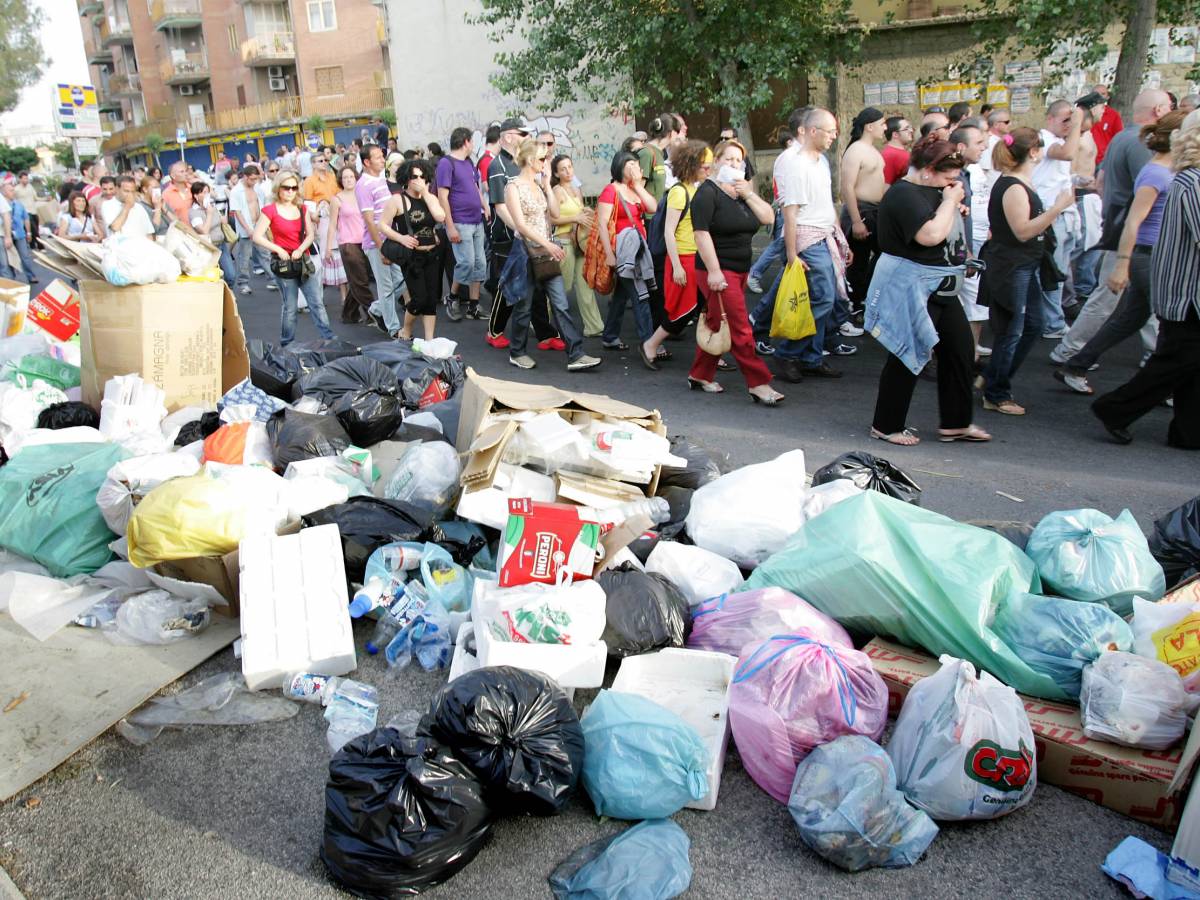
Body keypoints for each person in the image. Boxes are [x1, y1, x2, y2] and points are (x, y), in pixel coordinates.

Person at [867, 136, 990, 445]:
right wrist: (949, 203)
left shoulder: (933, 190)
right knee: (907, 352)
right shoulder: (903, 194)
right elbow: (930, 235)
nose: (954, 183)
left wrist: (949, 205)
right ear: (927, 170)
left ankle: (956, 423)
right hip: (911, 285)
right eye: (949, 177)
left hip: (940, 285)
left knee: (960, 349)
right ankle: (886, 425)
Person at [1056, 111, 1186, 394]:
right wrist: (1122, 264)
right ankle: (1165, 389)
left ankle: (1077, 363)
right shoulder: (1155, 173)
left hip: (1153, 255)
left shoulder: (1169, 171)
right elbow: (1133, 221)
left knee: (1131, 318)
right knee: (1168, 324)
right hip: (1148, 257)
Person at [1092, 109, 1200, 448]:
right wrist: (1122, 262)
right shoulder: (1191, 181)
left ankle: (1187, 431)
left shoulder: (1186, 178)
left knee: (1187, 364)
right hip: (1186, 292)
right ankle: (1115, 408)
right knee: (1176, 362)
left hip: (1184, 289)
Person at [979, 128, 1075, 416]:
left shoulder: (1019, 182)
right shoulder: (1013, 187)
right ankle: (996, 392)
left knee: (1034, 323)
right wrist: (1057, 208)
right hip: (1013, 265)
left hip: (1024, 263)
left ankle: (995, 375)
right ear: (1033, 152)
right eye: (1040, 147)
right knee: (1012, 329)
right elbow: (1022, 231)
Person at [683, 140, 782, 403]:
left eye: (739, 161)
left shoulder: (739, 192)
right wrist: (715, 272)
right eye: (729, 159)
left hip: (740, 269)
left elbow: (768, 218)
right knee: (740, 327)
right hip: (716, 270)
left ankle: (700, 374)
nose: (735, 165)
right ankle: (758, 383)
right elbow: (701, 235)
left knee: (718, 321)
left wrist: (748, 193)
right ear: (716, 161)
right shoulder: (707, 193)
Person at [501, 138, 601, 372]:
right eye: (542, 158)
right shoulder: (513, 187)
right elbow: (521, 226)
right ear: (529, 159)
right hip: (525, 252)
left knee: (560, 303)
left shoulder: (539, 185)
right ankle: (517, 351)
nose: (545, 162)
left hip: (547, 250)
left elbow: (554, 213)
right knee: (524, 306)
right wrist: (548, 244)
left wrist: (546, 184)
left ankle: (576, 354)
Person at [769, 106, 850, 383]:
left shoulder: (821, 160)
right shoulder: (792, 162)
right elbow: (790, 213)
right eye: (829, 132)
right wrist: (792, 254)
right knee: (823, 298)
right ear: (812, 131)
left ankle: (811, 358)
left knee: (824, 300)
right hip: (807, 239)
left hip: (825, 234)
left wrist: (840, 238)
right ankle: (787, 354)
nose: (833, 137)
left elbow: (826, 203)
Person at [485, 117, 561, 351]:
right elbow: (499, 206)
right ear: (508, 136)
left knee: (536, 282)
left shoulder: (522, 162)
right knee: (508, 284)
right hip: (507, 237)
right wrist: (519, 228)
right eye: (523, 134)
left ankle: (545, 333)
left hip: (530, 236)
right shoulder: (497, 165)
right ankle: (494, 330)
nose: (528, 138)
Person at [641, 141, 711, 368]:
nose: (708, 170)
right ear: (691, 165)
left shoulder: (697, 188)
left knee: (703, 308)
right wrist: (678, 266)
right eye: (704, 166)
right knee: (682, 312)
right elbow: (669, 231)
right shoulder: (680, 192)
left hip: (697, 259)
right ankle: (651, 345)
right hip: (683, 260)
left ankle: (710, 354)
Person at [253, 171, 336, 346]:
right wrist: (278, 249)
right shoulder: (269, 210)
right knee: (290, 307)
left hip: (303, 261)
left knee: (316, 303)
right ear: (278, 189)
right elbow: (257, 236)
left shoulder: (302, 208)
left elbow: (310, 234)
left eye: (294, 188)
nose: (290, 191)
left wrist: (300, 249)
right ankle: (287, 343)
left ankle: (329, 338)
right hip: (284, 264)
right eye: (286, 188)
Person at [1032, 100, 1085, 338]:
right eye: (1065, 120)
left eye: (1071, 119)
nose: (1069, 124)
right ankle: (1052, 323)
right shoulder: (1044, 139)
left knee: (1060, 272)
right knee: (1052, 272)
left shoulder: (1059, 140)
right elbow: (1067, 154)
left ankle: (1051, 319)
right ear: (1050, 119)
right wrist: (1078, 124)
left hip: (1064, 213)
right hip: (1051, 215)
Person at [597, 150, 659, 351]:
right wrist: (609, 254)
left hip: (639, 250)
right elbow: (602, 224)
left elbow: (652, 207)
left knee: (622, 295)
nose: (634, 167)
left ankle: (610, 335)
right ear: (619, 166)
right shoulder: (611, 190)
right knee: (641, 295)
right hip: (623, 252)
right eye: (629, 164)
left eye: (636, 164)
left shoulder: (635, 189)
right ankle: (649, 343)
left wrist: (638, 185)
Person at [378, 159, 446, 341]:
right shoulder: (397, 200)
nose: (418, 180)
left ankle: (429, 340)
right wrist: (401, 238)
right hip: (412, 257)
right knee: (419, 299)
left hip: (432, 253)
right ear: (406, 178)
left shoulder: (430, 197)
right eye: (414, 176)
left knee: (431, 300)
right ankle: (406, 331)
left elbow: (440, 216)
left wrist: (425, 192)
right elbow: (382, 225)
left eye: (423, 176)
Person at [437, 126, 488, 321]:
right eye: (472, 141)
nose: (473, 145)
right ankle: (453, 296)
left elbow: (475, 187)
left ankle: (474, 306)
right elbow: (443, 196)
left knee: (480, 263)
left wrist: (485, 206)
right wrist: (449, 226)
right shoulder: (446, 163)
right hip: (460, 221)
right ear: (465, 141)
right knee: (466, 262)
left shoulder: (468, 163)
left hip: (476, 220)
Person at [948, 122, 990, 353]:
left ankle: (968, 353)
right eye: (979, 143)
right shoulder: (953, 176)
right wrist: (966, 251)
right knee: (971, 302)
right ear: (962, 146)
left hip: (964, 250)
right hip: (958, 253)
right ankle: (966, 356)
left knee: (971, 303)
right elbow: (955, 218)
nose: (984, 148)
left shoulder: (965, 173)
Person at [840, 108, 888, 311]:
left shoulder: (872, 150)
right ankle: (855, 302)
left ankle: (863, 297)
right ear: (869, 126)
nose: (885, 127)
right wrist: (857, 220)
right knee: (858, 260)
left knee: (884, 255)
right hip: (861, 211)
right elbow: (847, 187)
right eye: (882, 123)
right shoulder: (856, 150)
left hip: (875, 211)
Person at [549, 153, 602, 335]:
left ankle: (594, 327)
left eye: (569, 167)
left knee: (586, 284)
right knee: (561, 286)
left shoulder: (575, 189)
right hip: (564, 241)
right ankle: (543, 323)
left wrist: (585, 212)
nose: (568, 171)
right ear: (556, 174)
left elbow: (579, 213)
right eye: (563, 169)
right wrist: (575, 217)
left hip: (579, 242)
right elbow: (551, 219)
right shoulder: (557, 191)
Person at [356, 143, 406, 337]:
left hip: (391, 240)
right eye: (377, 157)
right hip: (377, 243)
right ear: (367, 162)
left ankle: (377, 309)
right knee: (385, 287)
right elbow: (369, 220)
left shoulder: (382, 180)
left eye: (382, 156)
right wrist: (382, 247)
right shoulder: (363, 185)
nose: (382, 160)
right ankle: (394, 329)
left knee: (402, 280)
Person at [746, 126, 796, 297]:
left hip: (786, 210)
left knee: (784, 249)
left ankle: (786, 282)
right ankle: (754, 273)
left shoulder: (788, 158)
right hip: (784, 210)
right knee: (780, 245)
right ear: (790, 142)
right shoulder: (787, 159)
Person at [325, 165, 373, 325]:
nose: (348, 180)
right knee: (361, 280)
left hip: (365, 241)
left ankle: (349, 314)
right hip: (348, 244)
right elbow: (332, 225)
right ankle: (374, 313)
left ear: (356, 178)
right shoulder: (336, 199)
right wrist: (328, 248)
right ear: (340, 180)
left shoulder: (362, 195)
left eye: (351, 176)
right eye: (344, 177)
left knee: (356, 280)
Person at [229, 165, 269, 294]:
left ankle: (274, 279)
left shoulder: (257, 188)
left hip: (259, 225)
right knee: (244, 257)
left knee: (265, 254)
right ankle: (243, 283)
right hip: (246, 229)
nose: (254, 182)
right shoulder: (236, 191)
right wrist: (247, 229)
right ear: (245, 177)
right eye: (252, 179)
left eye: (256, 179)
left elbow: (262, 204)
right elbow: (238, 212)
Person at [188, 181, 236, 285]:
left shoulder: (212, 207)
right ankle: (219, 298)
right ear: (196, 195)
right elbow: (203, 231)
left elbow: (221, 221)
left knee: (230, 275)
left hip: (221, 244)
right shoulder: (194, 212)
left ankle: (227, 296)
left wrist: (222, 219)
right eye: (204, 192)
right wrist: (209, 214)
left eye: (208, 192)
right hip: (208, 248)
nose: (207, 195)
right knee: (213, 278)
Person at [637, 114, 678, 205]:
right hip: (646, 216)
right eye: (677, 132)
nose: (678, 136)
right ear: (670, 133)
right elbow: (638, 187)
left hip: (656, 214)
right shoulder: (647, 153)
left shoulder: (660, 153)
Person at [0, 178, 36, 283]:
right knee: (7, 262)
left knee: (21, 257)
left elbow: (24, 218)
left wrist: (8, 236)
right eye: (11, 191)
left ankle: (13, 285)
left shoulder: (18, 204)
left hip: (17, 234)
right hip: (8, 234)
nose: (13, 192)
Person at [1090, 85, 1124, 164]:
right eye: (1096, 93)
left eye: (1103, 94)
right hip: (1084, 158)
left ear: (1107, 97)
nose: (1099, 96)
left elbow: (1119, 139)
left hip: (1103, 161)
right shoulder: (1084, 113)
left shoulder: (1113, 115)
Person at [160, 161, 196, 233]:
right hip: (181, 233)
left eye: (186, 171)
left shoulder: (193, 188)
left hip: (200, 232)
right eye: (182, 172)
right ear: (173, 176)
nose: (186, 174)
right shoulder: (166, 194)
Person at [881, 116, 914, 185]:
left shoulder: (892, 152)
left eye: (910, 127)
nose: (911, 130)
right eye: (906, 129)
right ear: (895, 134)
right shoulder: (891, 155)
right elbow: (885, 185)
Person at [14, 173, 39, 251]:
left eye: (27, 178)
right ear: (20, 179)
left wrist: (45, 199)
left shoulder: (30, 187)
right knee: (33, 228)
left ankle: (32, 245)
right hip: (25, 211)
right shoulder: (16, 189)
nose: (26, 180)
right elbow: (14, 200)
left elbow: (35, 198)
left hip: (33, 210)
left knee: (35, 228)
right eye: (24, 178)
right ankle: (40, 246)